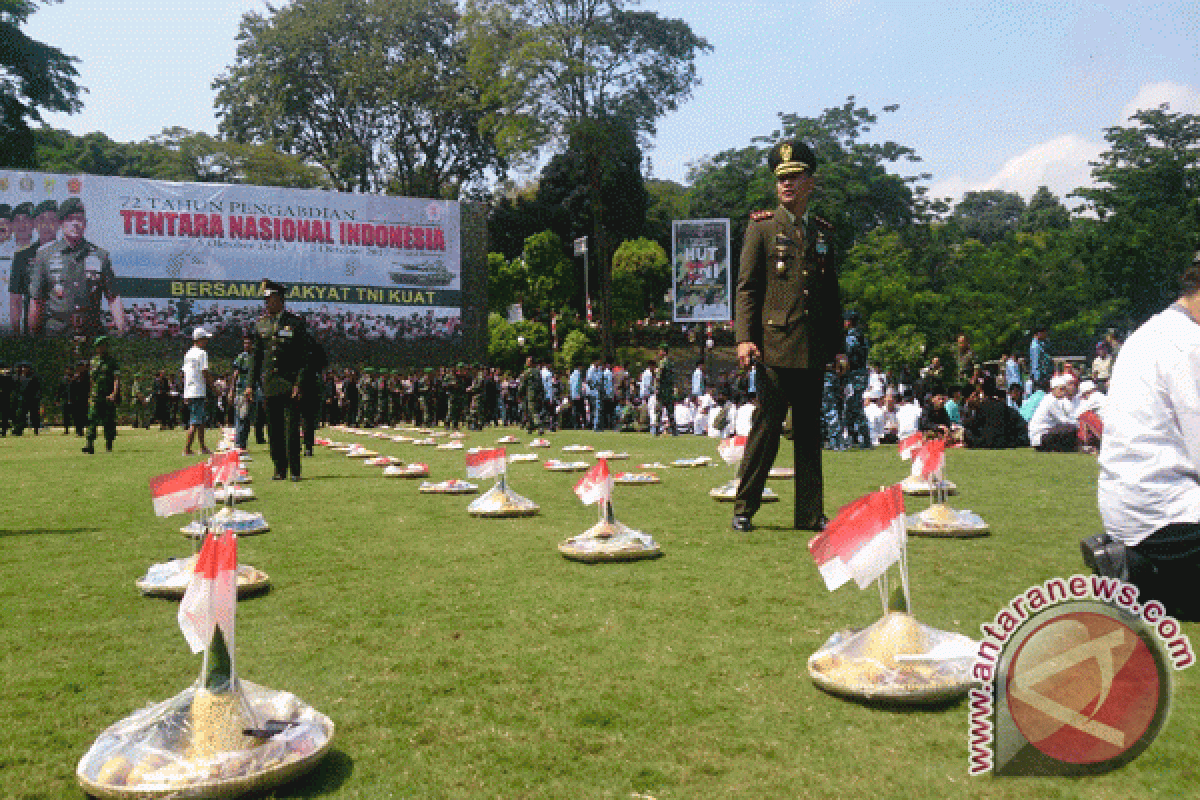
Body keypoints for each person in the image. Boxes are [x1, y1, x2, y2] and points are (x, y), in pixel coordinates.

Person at [732, 139, 843, 533]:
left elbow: (831, 296)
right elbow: (747, 288)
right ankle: (744, 507)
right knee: (766, 429)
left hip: (812, 349)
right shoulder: (762, 227)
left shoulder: (824, 232)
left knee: (810, 435)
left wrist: (839, 348)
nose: (787, 185)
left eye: (795, 177)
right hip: (775, 348)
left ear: (811, 182)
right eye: (782, 179)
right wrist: (745, 338)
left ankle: (810, 514)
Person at [1088, 254, 1200, 616]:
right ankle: (1145, 574)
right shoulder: (1189, 344)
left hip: (1131, 506)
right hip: (1169, 510)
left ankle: (1138, 569)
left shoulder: (1151, 331)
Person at [29, 198, 128, 337]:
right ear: (61, 223)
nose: (75, 224)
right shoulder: (44, 256)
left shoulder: (100, 256)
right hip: (55, 335)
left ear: (85, 224)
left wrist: (121, 330)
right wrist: (33, 335)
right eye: (70, 219)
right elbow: (37, 300)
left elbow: (113, 297)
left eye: (79, 219)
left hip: (91, 334)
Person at [247, 279, 313, 481]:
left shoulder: (295, 323)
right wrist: (250, 384)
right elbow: (256, 357)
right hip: (270, 384)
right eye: (266, 300)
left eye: (271, 299)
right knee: (274, 430)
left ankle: (294, 470)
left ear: (280, 300)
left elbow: (304, 358)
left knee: (292, 429)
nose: (267, 303)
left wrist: (299, 383)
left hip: (290, 384)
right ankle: (279, 469)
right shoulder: (261, 324)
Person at [83, 336, 120, 453]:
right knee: (91, 419)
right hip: (96, 396)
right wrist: (89, 394)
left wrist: (114, 393)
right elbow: (91, 379)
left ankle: (109, 444)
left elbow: (116, 378)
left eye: (102, 346)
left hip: (107, 396)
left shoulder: (112, 362)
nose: (100, 348)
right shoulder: (93, 361)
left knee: (108, 421)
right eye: (98, 346)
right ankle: (89, 444)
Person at [182, 327, 214, 455]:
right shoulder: (202, 353)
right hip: (198, 390)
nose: (206, 341)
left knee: (200, 421)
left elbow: (184, 374)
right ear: (199, 340)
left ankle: (203, 447)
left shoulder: (188, 353)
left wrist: (185, 392)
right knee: (195, 421)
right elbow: (204, 372)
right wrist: (213, 387)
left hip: (190, 391)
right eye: (205, 339)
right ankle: (187, 449)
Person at [1029, 325, 1052, 391]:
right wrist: (1037, 379)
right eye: (1044, 333)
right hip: (1040, 378)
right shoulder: (1035, 346)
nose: (1046, 335)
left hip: (1043, 376)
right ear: (1039, 333)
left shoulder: (1040, 344)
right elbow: (1035, 363)